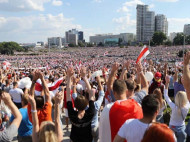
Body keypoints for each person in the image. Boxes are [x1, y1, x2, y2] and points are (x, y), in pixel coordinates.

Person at [99, 62, 143, 142]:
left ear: (114, 93)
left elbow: (103, 135)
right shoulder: (138, 106)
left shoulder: (108, 109)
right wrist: (140, 72)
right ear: (126, 91)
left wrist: (113, 71)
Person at [66, 67, 95, 142]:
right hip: (88, 139)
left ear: (75, 105)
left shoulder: (72, 115)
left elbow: (68, 94)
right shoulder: (90, 113)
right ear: (86, 104)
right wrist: (84, 77)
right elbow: (91, 94)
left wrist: (69, 77)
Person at [164, 75, 190, 142]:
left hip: (172, 127)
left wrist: (167, 83)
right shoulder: (187, 107)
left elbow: (166, 96)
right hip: (181, 128)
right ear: (185, 98)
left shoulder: (173, 107)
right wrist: (185, 85)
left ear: (176, 98)